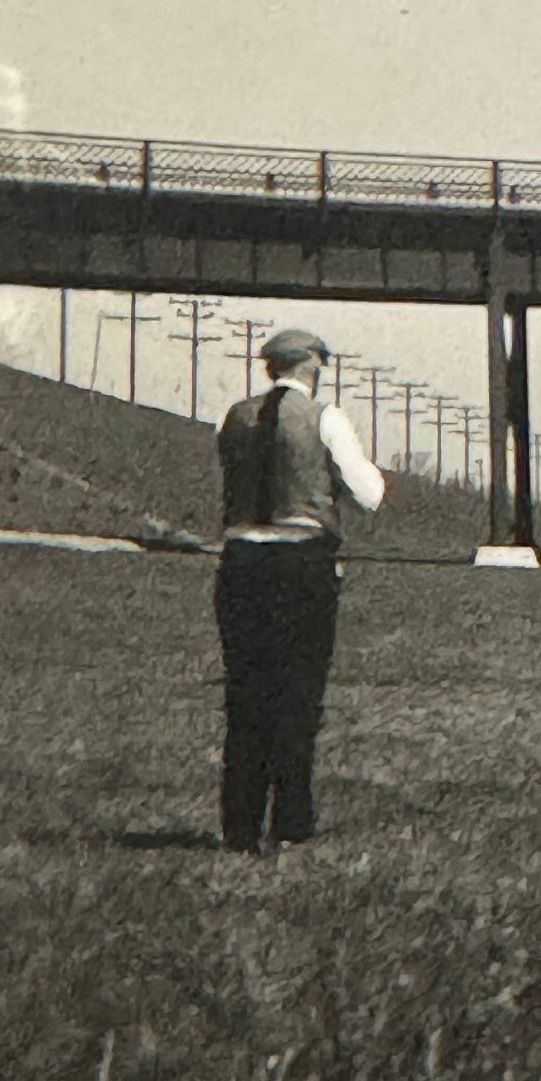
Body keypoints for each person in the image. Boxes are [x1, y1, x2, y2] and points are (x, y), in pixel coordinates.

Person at [214, 328, 385, 855]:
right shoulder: (325, 419)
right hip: (301, 564)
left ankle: (239, 824)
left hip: (239, 563)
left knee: (246, 694)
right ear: (314, 368)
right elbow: (370, 494)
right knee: (298, 694)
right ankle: (291, 821)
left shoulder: (236, 418)